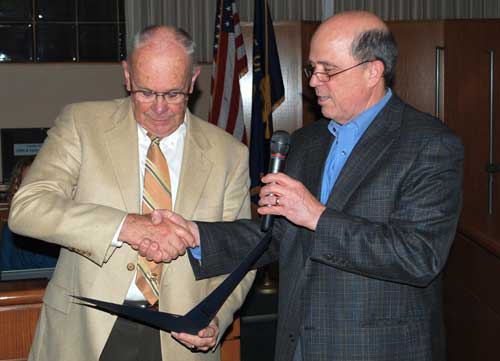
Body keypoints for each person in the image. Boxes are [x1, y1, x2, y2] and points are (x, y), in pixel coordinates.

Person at [141, 11, 464, 361]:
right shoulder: (307, 142)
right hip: (299, 345)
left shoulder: (428, 144)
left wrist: (317, 216)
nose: (313, 83)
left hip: (377, 349)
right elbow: (277, 236)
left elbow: (418, 257)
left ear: (373, 71)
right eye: (313, 69)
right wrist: (197, 235)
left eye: (329, 70)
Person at [8, 26, 255, 361]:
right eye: (145, 92)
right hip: (86, 330)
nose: (159, 108)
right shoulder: (82, 124)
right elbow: (28, 208)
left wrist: (217, 318)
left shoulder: (230, 154)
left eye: (173, 94)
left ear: (193, 80)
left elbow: (241, 254)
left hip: (180, 338)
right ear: (127, 76)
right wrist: (127, 226)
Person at [0, 156, 59, 270]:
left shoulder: (65, 226)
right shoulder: (10, 230)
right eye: (28, 184)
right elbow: (5, 274)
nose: (34, 191)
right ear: (17, 190)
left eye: (39, 183)